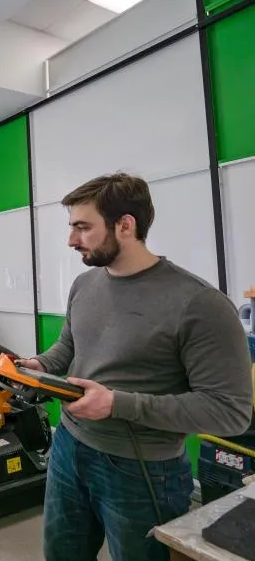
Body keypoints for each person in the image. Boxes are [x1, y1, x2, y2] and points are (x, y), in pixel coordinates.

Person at [16, 172, 253, 561]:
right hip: (68, 447)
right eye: (72, 227)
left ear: (125, 225)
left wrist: (116, 404)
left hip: (141, 471)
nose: (71, 240)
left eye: (83, 227)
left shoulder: (200, 305)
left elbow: (230, 412)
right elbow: (71, 346)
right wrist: (38, 365)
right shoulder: (84, 284)